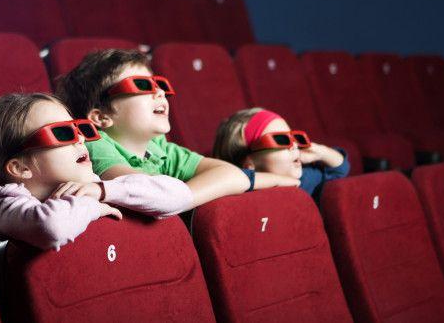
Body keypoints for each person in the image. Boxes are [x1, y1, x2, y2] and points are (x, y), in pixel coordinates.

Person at [0, 92, 194, 264]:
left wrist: (103, 190)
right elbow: (51, 227)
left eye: (80, 129)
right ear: (20, 167)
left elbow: (181, 195)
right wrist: (92, 204)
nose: (80, 139)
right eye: (62, 133)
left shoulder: (88, 185)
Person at [58, 49, 300, 209]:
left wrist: (180, 199)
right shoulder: (95, 145)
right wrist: (181, 196)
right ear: (101, 117)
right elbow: (143, 188)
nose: (160, 92)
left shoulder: (159, 148)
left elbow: (230, 173)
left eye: (160, 84)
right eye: (142, 85)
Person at [213, 108, 349, 198]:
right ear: (249, 164)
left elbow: (340, 170)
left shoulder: (304, 180)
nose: (294, 145)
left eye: (295, 137)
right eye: (281, 140)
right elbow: (230, 178)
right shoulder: (244, 192)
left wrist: (321, 152)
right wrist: (278, 181)